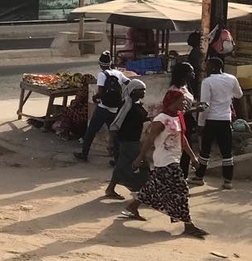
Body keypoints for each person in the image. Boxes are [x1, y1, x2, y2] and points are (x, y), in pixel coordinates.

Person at [122, 88, 207, 238]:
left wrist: (193, 157)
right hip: (165, 160)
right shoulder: (161, 119)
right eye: (182, 100)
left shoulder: (177, 116)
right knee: (181, 190)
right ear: (173, 101)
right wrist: (139, 157)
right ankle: (188, 225)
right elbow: (149, 140)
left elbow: (182, 139)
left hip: (174, 159)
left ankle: (132, 206)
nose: (184, 103)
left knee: (153, 187)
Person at [192, 56, 245, 191]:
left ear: (214, 67)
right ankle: (228, 180)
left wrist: (200, 123)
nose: (206, 68)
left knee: (205, 150)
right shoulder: (231, 79)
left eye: (208, 65)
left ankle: (199, 177)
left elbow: (205, 105)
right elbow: (239, 95)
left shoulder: (207, 82)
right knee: (226, 151)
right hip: (225, 119)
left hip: (211, 119)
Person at [103, 79, 148, 200]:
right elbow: (115, 124)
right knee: (142, 165)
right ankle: (143, 190)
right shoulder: (127, 105)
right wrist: (110, 142)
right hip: (128, 140)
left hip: (133, 139)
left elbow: (140, 118)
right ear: (133, 91)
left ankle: (111, 188)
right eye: (141, 90)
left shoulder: (136, 104)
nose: (144, 92)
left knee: (122, 164)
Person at [75, 51, 123, 162]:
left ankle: (84, 153)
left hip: (103, 108)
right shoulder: (118, 73)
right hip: (114, 109)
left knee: (91, 130)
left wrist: (94, 98)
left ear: (100, 64)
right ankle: (117, 158)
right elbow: (128, 83)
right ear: (110, 63)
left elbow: (100, 92)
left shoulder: (102, 74)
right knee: (115, 133)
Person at [185, 31, 203, 99]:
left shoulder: (196, 51)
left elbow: (195, 64)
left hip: (195, 74)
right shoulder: (196, 50)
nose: (188, 40)